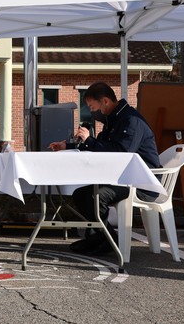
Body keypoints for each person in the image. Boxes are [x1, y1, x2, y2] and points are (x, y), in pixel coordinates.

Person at [49, 81, 160, 255]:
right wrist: (69, 145)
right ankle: (98, 239)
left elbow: (121, 153)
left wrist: (89, 140)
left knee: (95, 195)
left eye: (93, 107)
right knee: (81, 193)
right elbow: (101, 146)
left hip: (141, 182)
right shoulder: (114, 119)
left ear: (105, 101)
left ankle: (107, 240)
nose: (92, 112)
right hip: (123, 178)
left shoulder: (131, 120)